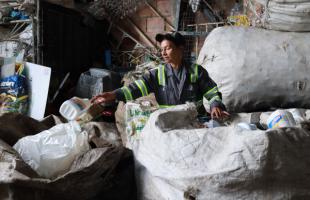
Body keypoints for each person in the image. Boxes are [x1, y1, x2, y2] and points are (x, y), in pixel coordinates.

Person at [91, 31, 229, 119]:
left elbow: (212, 92)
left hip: (196, 121)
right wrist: (114, 94)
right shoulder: (157, 74)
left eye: (167, 48)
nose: (163, 53)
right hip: (170, 123)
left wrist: (215, 105)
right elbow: (136, 88)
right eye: (161, 49)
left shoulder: (196, 71)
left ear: (180, 49)